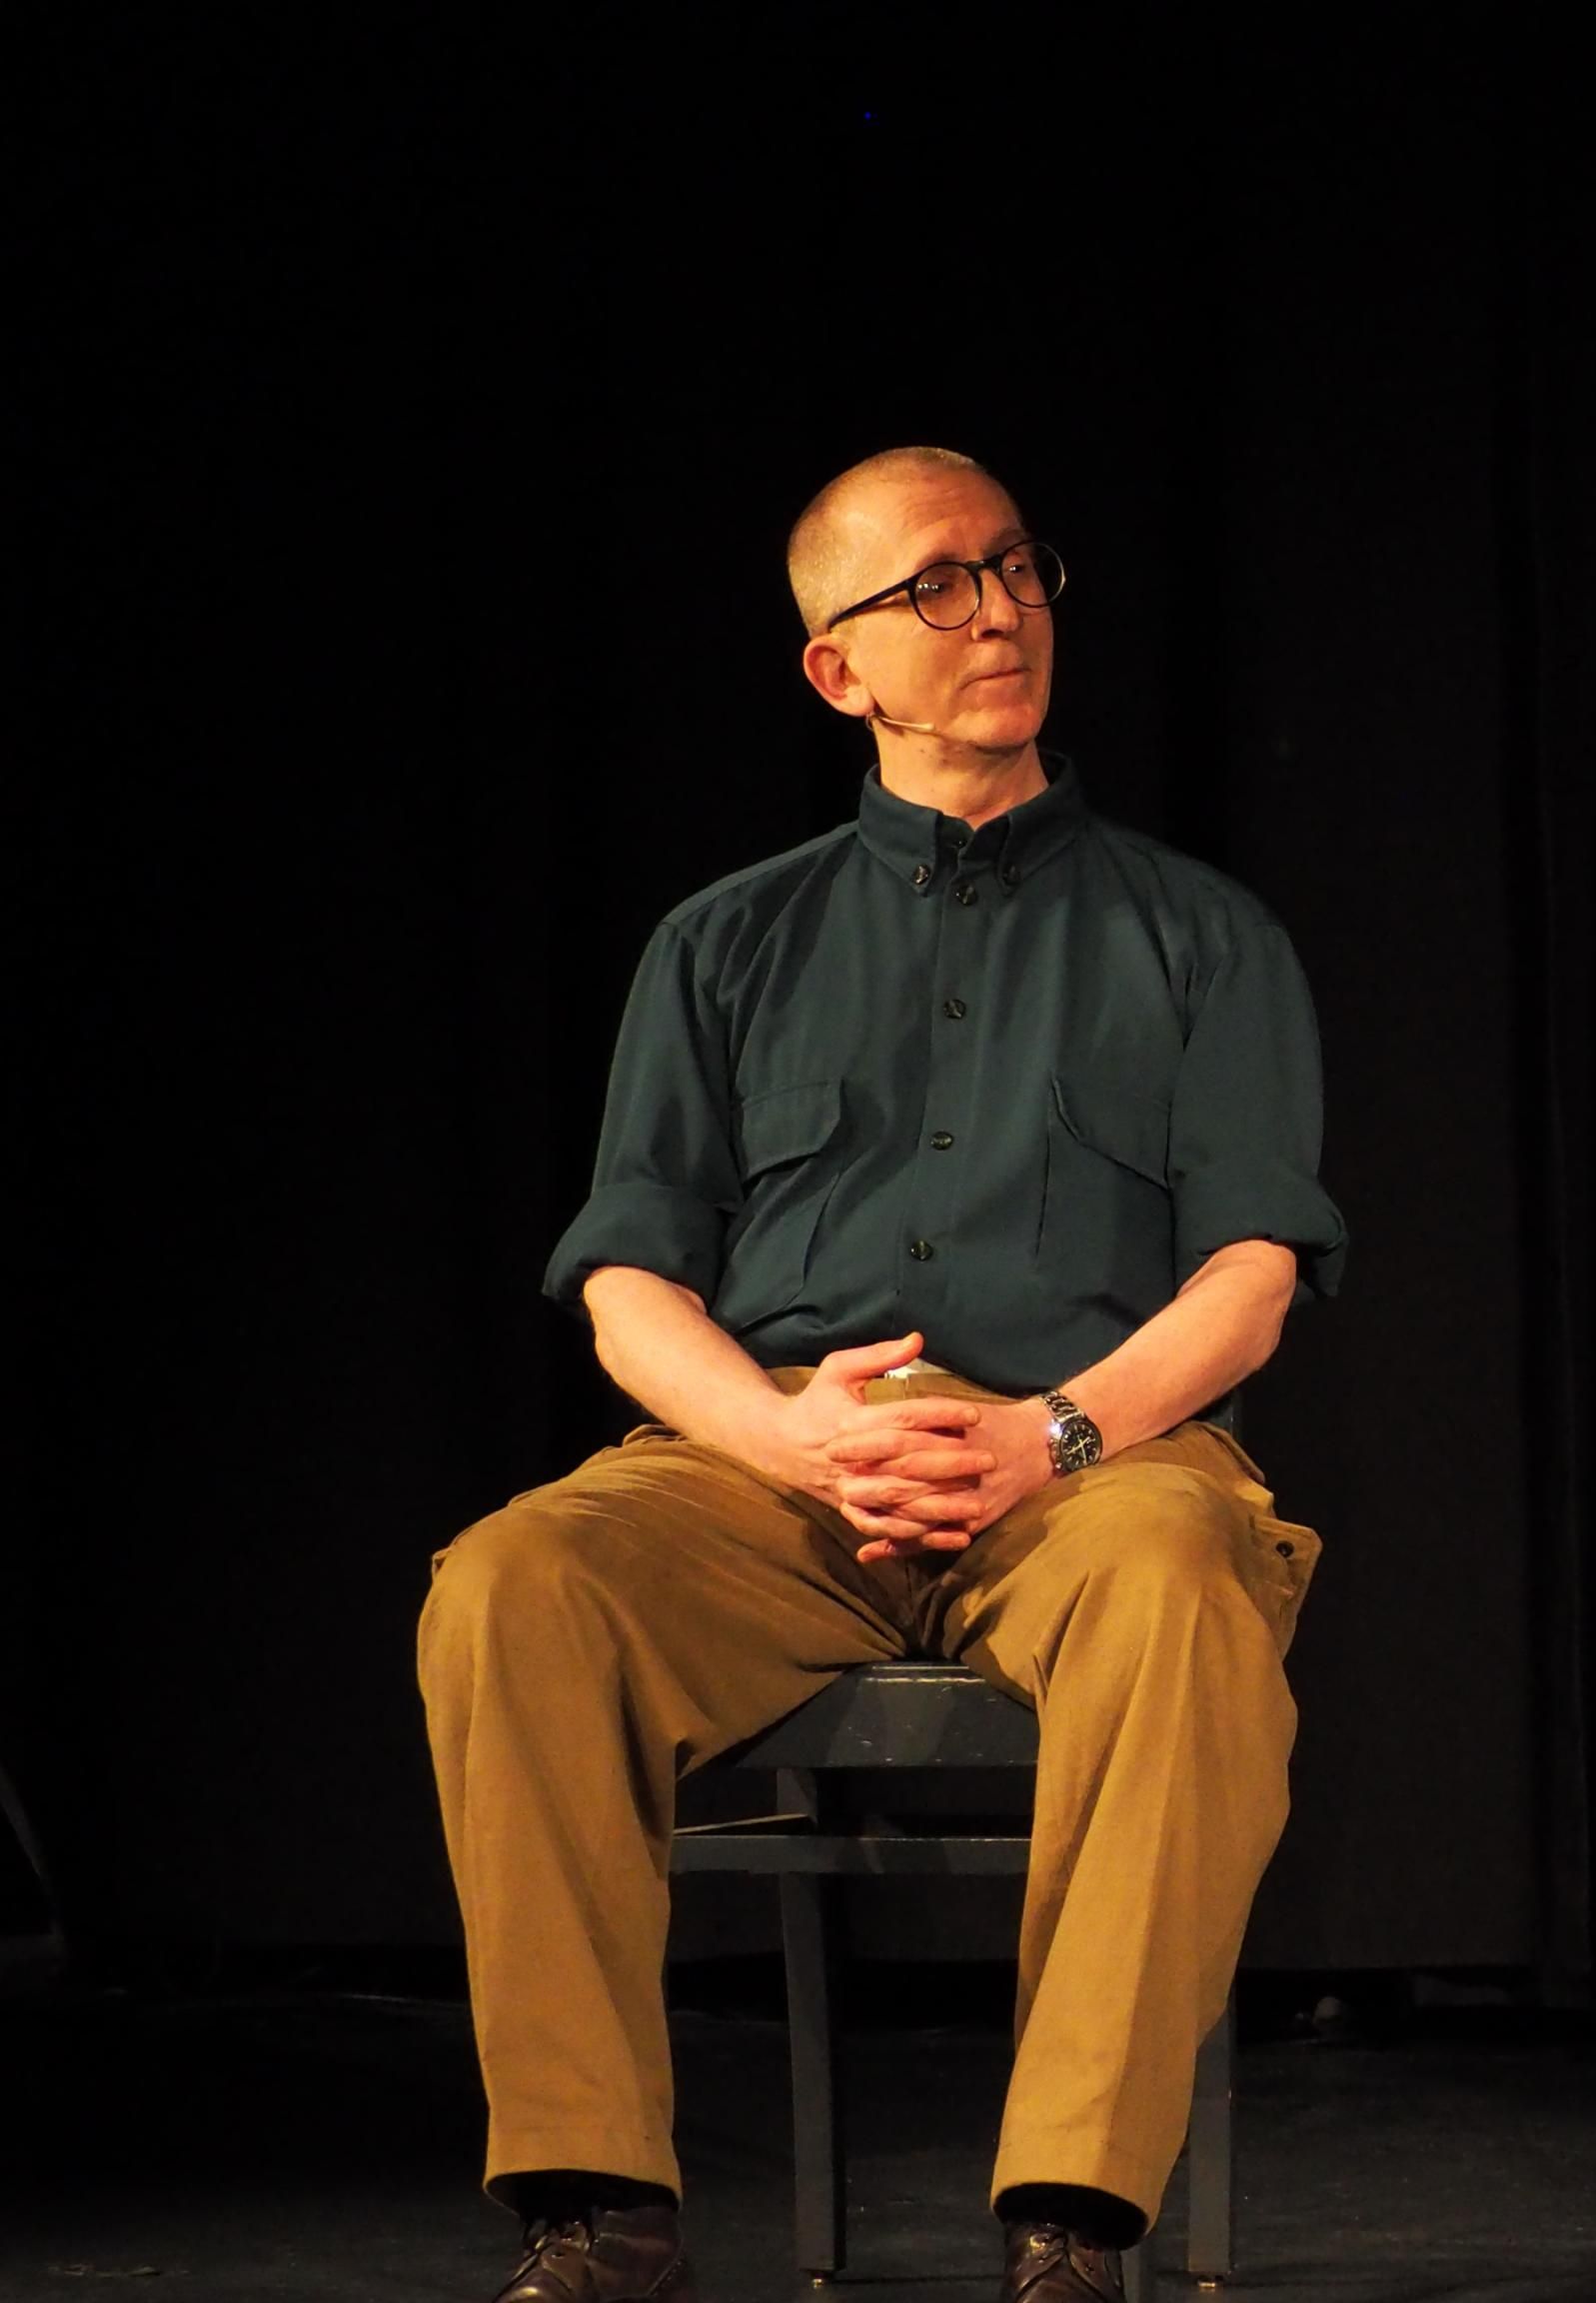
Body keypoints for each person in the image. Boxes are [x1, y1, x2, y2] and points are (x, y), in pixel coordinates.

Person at [419, 446, 1347, 2303]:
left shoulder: (1201, 935)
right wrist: (785, 1434)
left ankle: (1073, 2217)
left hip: (1092, 1465)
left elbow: (1252, 1279)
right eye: (936, 584)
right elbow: (628, 1279)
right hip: (774, 1472)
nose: (997, 611)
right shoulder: (726, 941)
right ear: (838, 668)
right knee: (512, 1585)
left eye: (1016, 568)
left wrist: (1049, 1432)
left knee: (1182, 1590)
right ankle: (600, 2208)